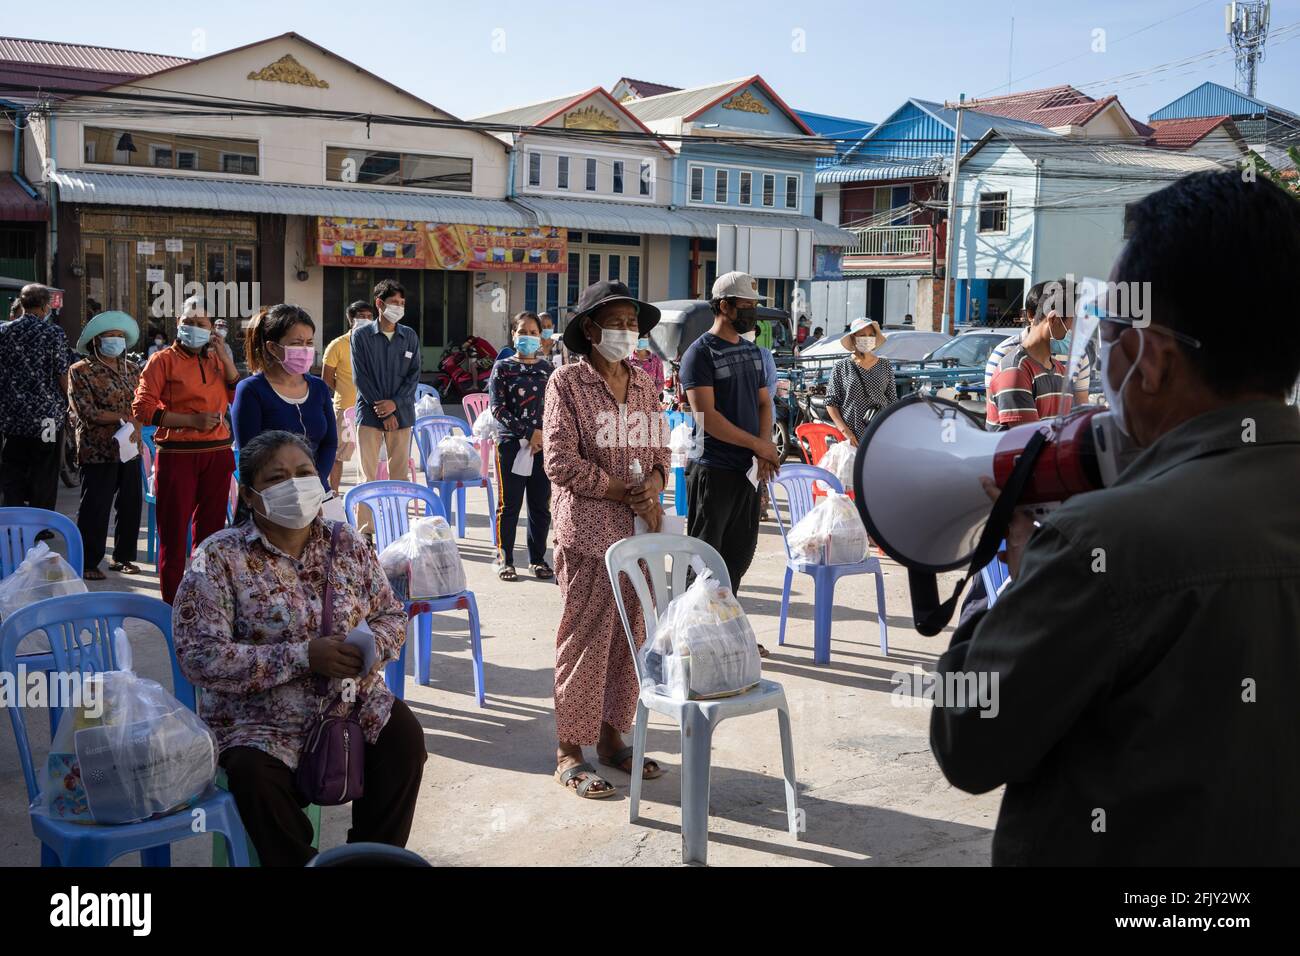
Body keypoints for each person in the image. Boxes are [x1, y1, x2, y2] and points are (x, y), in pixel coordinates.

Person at [930, 170, 1300, 865]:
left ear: (1153, 360)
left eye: (1106, 332)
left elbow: (967, 740)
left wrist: (1001, 583)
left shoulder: (1102, 543)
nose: (1097, 353)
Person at [173, 430, 424, 866]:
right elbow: (200, 656)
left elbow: (390, 613)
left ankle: (371, 861)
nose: (295, 485)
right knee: (253, 777)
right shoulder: (218, 557)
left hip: (349, 703)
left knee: (403, 738)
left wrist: (370, 649)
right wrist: (304, 656)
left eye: (304, 473)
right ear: (249, 495)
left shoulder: (347, 543)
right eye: (277, 478)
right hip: (257, 722)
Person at [544, 280, 669, 798]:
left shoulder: (644, 384)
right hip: (589, 534)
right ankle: (569, 751)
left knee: (629, 638)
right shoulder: (567, 383)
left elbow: (661, 451)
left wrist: (653, 484)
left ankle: (612, 738)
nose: (626, 331)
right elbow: (559, 461)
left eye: (632, 323)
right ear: (591, 329)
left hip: (638, 533)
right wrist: (621, 490)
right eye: (616, 322)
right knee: (586, 638)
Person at [132, 295, 240, 603]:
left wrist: (226, 358)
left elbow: (234, 395)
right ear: (178, 324)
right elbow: (142, 409)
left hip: (217, 453)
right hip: (177, 455)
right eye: (188, 322)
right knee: (174, 535)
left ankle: (205, 599)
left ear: (211, 327)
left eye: (201, 323)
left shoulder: (217, 359)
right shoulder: (162, 360)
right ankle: (171, 605)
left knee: (211, 535)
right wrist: (191, 420)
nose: (194, 328)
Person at [680, 271, 780, 597]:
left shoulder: (752, 352)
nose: (753, 313)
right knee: (704, 564)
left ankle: (724, 622)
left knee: (738, 558)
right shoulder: (700, 354)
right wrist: (759, 446)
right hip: (714, 470)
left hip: (746, 472)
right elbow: (708, 417)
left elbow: (764, 403)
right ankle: (693, 625)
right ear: (725, 306)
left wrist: (763, 447)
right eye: (747, 306)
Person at [68, 311, 144, 580]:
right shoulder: (80, 370)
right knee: (95, 506)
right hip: (97, 448)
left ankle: (123, 557)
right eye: (110, 335)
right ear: (96, 340)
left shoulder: (132, 368)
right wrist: (124, 417)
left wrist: (137, 424)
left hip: (130, 447)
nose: (116, 340)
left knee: (130, 503)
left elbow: (142, 404)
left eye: (120, 336)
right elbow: (86, 411)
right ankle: (88, 561)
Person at [232, 304, 337, 492]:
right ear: (272, 347)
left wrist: (315, 480)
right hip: (273, 493)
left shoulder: (319, 388)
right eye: (296, 343)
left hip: (318, 489)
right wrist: (288, 487)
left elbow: (329, 443)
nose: (305, 350)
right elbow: (250, 455)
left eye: (309, 342)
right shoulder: (251, 390)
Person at [488, 312, 553, 581]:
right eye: (522, 332)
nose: (528, 337)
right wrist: (528, 433)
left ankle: (537, 560)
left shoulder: (548, 369)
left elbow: (556, 407)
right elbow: (497, 408)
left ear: (540, 337)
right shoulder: (502, 368)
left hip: (542, 447)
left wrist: (542, 436)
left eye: (533, 333)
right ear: (513, 335)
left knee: (540, 506)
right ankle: (505, 559)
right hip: (511, 445)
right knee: (510, 505)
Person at [351, 279, 420, 534]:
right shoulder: (361, 336)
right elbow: (361, 377)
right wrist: (382, 409)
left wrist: (395, 405)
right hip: (369, 414)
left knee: (399, 477)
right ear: (379, 303)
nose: (399, 307)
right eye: (394, 302)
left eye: (402, 303)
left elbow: (413, 376)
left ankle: (398, 527)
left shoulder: (409, 336)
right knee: (367, 476)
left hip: (402, 415)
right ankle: (365, 532)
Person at [983, 281, 1090, 430]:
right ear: (1053, 319)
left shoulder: (1059, 370)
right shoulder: (1014, 370)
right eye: (1075, 321)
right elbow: (1029, 438)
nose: (1077, 330)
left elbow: (1070, 422)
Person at [0, 284, 69, 511]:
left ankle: (13, 519)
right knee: (44, 470)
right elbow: (62, 373)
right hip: (47, 418)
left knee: (13, 469)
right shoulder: (53, 333)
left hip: (12, 417)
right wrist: (71, 403)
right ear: (44, 306)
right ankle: (41, 521)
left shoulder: (4, 331)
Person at [322, 300, 371, 493]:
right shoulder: (338, 345)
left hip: (371, 408)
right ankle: (333, 493)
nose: (366, 320)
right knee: (337, 455)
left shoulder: (376, 343)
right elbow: (326, 378)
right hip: (345, 409)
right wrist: (344, 390)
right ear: (351, 320)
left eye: (369, 316)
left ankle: (368, 493)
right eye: (361, 316)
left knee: (370, 456)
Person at [825, 318, 897, 446]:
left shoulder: (885, 365)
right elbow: (831, 402)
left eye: (871, 335)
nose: (867, 339)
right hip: (851, 437)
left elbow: (892, 400)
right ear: (853, 338)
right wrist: (845, 431)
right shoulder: (841, 366)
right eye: (862, 335)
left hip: (880, 433)